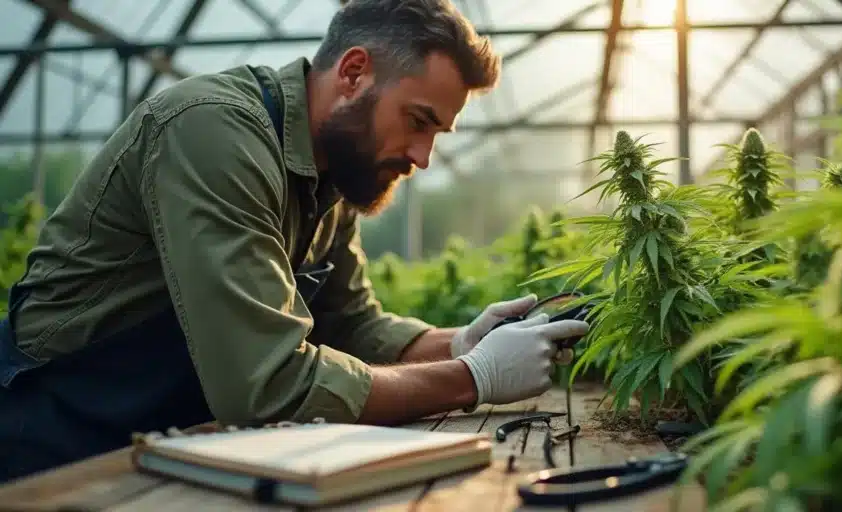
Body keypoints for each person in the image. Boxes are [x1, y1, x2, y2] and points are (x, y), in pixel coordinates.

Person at [0, 0, 589, 483]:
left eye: (436, 132)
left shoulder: (333, 174)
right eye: (417, 121)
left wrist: (457, 340)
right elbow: (267, 386)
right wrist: (473, 377)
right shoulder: (213, 131)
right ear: (354, 73)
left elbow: (352, 323)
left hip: (162, 442)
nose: (422, 157)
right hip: (56, 437)